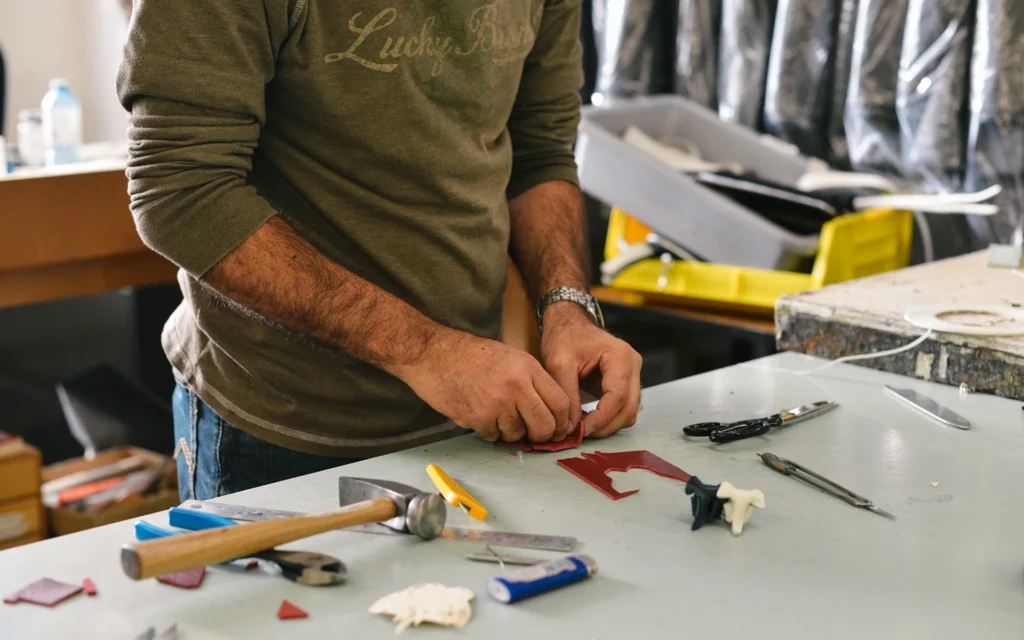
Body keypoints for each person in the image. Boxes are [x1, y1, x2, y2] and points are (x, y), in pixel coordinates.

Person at [117, 0, 642, 501]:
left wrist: (568, 309)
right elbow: (181, 191)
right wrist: (426, 351)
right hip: (282, 430)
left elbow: (540, 151)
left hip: (470, 417)